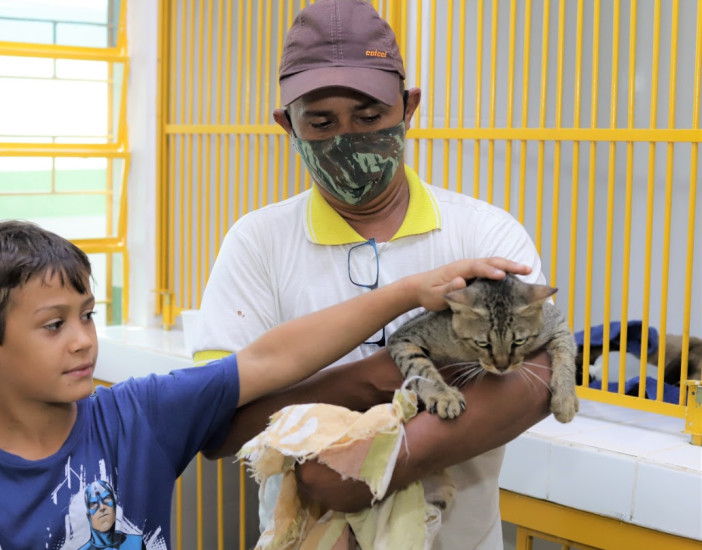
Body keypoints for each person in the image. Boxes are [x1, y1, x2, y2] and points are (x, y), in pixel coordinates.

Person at [0, 219, 528, 549]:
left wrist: (408, 294)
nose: (83, 339)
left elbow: (271, 359)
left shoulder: (136, 417)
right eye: (53, 325)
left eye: (87, 315)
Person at [192, 1, 554, 548]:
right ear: (285, 124)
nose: (348, 137)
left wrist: (377, 469)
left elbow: (533, 382)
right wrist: (372, 378)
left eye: (369, 117)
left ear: (409, 108)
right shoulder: (257, 244)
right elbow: (216, 424)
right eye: (320, 121)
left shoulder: (483, 234)